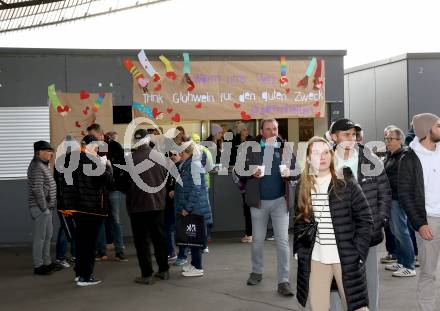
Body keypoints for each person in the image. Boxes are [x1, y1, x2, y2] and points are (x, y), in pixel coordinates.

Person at [294, 136, 372, 311]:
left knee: (357, 307)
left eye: (325, 152)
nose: (321, 157)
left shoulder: (346, 182)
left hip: (344, 256)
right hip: (317, 257)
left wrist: (358, 252)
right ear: (308, 158)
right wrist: (299, 250)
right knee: (317, 307)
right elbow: (299, 220)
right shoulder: (303, 186)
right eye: (315, 153)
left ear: (331, 155)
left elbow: (365, 220)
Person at [329, 119, 391, 311]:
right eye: (346, 134)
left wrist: (377, 221)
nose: (351, 138)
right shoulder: (325, 160)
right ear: (334, 137)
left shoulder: (369, 158)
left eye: (354, 134)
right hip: (337, 233)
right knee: (336, 280)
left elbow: (385, 192)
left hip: (368, 232)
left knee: (369, 278)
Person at [238, 118, 296, 296]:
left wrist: (290, 173)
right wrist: (250, 172)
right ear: (262, 131)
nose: (273, 132)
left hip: (280, 202)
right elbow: (238, 170)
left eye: (275, 129)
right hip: (259, 203)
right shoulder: (251, 148)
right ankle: (256, 272)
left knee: (283, 242)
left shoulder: (285, 148)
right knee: (257, 241)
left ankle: (283, 281)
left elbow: (297, 170)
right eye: (269, 129)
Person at [57, 135, 113, 286]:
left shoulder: (67, 161)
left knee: (81, 243)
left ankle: (79, 273)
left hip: (75, 208)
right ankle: (85, 277)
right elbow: (106, 180)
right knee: (88, 244)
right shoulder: (90, 160)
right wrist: (107, 165)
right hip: (91, 208)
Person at [398, 113, 440, 311]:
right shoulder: (409, 158)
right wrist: (420, 223)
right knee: (429, 272)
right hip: (428, 221)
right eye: (438, 126)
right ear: (425, 131)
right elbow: (405, 195)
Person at [126, 129, 170, 284]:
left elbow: (124, 184)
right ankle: (164, 270)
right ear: (148, 139)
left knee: (142, 242)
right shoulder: (160, 157)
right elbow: (167, 179)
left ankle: (147, 274)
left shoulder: (129, 159)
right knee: (159, 238)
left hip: (138, 206)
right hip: (158, 204)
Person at [88, 124, 127, 261]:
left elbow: (123, 165)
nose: (91, 139)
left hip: (113, 188)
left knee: (115, 220)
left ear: (101, 133)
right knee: (99, 220)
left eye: (93, 136)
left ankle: (120, 251)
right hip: (98, 189)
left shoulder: (115, 146)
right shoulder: (91, 147)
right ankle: (101, 251)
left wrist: (110, 166)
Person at [174, 140, 213, 277]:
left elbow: (195, 189)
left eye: (181, 152)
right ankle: (194, 264)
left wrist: (187, 208)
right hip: (194, 208)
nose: (179, 154)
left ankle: (198, 267)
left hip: (194, 209)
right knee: (192, 238)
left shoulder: (193, 165)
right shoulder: (188, 164)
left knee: (194, 239)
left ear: (187, 152)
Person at [383, 126, 417, 277]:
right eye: (386, 139)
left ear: (400, 140)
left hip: (398, 199)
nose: (387, 142)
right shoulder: (391, 155)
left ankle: (409, 266)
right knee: (396, 231)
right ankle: (401, 261)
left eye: (391, 139)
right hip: (391, 199)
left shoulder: (405, 155)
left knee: (402, 232)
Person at [27, 140, 59, 275]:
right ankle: (38, 266)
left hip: (47, 208)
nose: (51, 153)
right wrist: (44, 208)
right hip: (41, 208)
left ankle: (47, 262)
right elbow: (37, 190)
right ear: (39, 153)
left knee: (47, 236)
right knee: (40, 238)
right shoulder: (36, 166)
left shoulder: (42, 165)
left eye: (51, 151)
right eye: (48, 151)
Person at [231, 123, 254, 243]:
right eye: (243, 130)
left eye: (247, 129)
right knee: (250, 209)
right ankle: (251, 233)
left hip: (248, 184)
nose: (246, 131)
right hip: (247, 184)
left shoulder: (251, 142)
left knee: (249, 209)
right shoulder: (235, 141)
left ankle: (250, 234)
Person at [165, 150, 180, 261]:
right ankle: (170, 251)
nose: (172, 157)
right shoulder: (168, 168)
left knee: (180, 228)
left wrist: (175, 191)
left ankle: (184, 250)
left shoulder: (183, 168)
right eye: (171, 155)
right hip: (168, 204)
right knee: (168, 228)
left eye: (175, 154)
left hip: (180, 204)